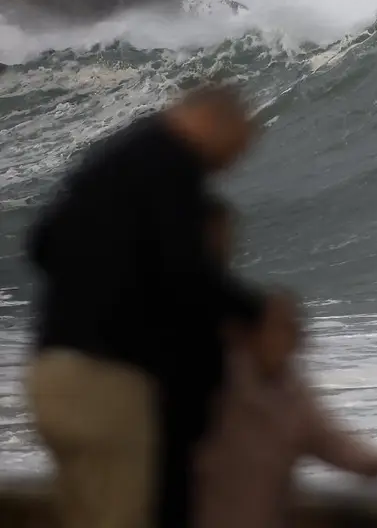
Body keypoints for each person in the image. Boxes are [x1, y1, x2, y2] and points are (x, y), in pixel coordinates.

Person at [24, 83, 259, 528]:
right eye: (235, 148)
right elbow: (186, 272)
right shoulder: (169, 164)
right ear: (212, 120)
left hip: (52, 374)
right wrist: (255, 313)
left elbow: (41, 243)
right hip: (106, 386)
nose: (230, 164)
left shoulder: (115, 164)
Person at [196, 289, 377, 528]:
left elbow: (327, 438)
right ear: (250, 333)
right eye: (279, 328)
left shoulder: (293, 393)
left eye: (294, 329)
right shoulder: (215, 382)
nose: (291, 338)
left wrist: (370, 463)